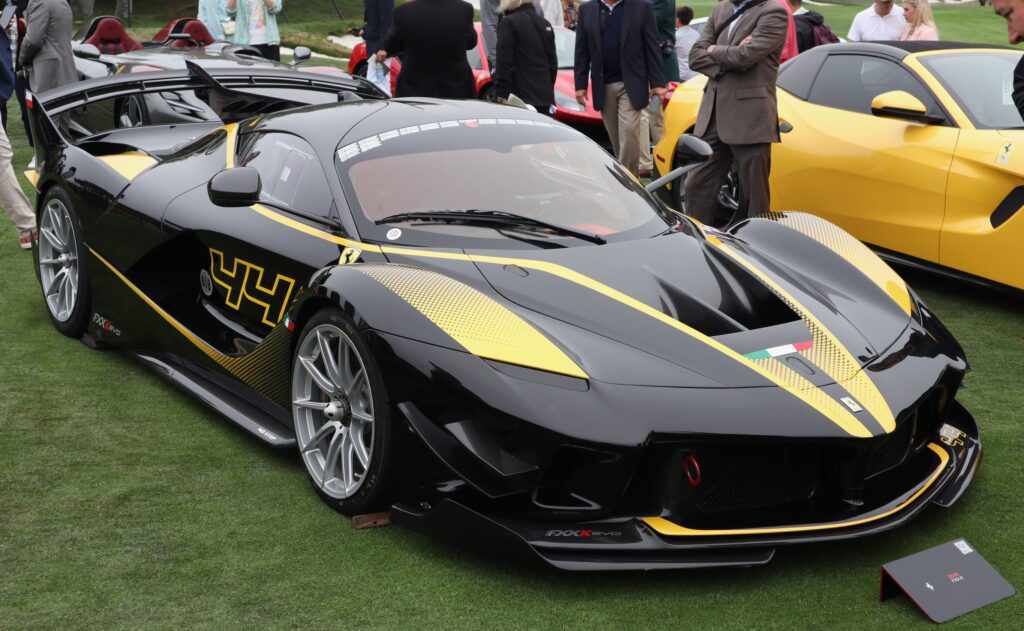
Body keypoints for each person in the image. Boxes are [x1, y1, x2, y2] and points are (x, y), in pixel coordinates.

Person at [684, 0, 788, 224]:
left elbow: (745, 56)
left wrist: (712, 50)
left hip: (749, 118)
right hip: (712, 116)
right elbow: (694, 56)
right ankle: (697, 244)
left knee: (755, 199)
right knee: (696, 187)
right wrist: (724, 58)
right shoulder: (721, 9)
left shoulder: (773, 11)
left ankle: (755, 251)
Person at [574, 0, 666, 176]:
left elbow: (652, 46)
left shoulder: (641, 7)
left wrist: (657, 83)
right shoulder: (587, 10)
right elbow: (582, 50)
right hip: (603, 85)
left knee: (630, 133)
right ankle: (627, 176)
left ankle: (627, 183)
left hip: (631, 84)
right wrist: (580, 84)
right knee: (619, 142)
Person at [376, 0, 478, 99]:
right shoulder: (464, 9)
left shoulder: (403, 11)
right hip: (457, 89)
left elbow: (392, 45)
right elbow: (471, 43)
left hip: (414, 91)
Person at [493, 0, 557, 112]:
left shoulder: (508, 22)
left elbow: (504, 63)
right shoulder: (545, 24)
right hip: (545, 99)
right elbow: (552, 65)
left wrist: (500, 94)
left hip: (518, 100)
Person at [19, 0, 76, 96]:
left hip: (48, 78)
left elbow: (32, 41)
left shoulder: (38, 2)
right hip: (67, 73)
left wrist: (22, 60)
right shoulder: (63, 2)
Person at [675, 6, 698, 80]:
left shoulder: (676, 36)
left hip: (682, 77)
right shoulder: (696, 34)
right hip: (697, 74)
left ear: (677, 20)